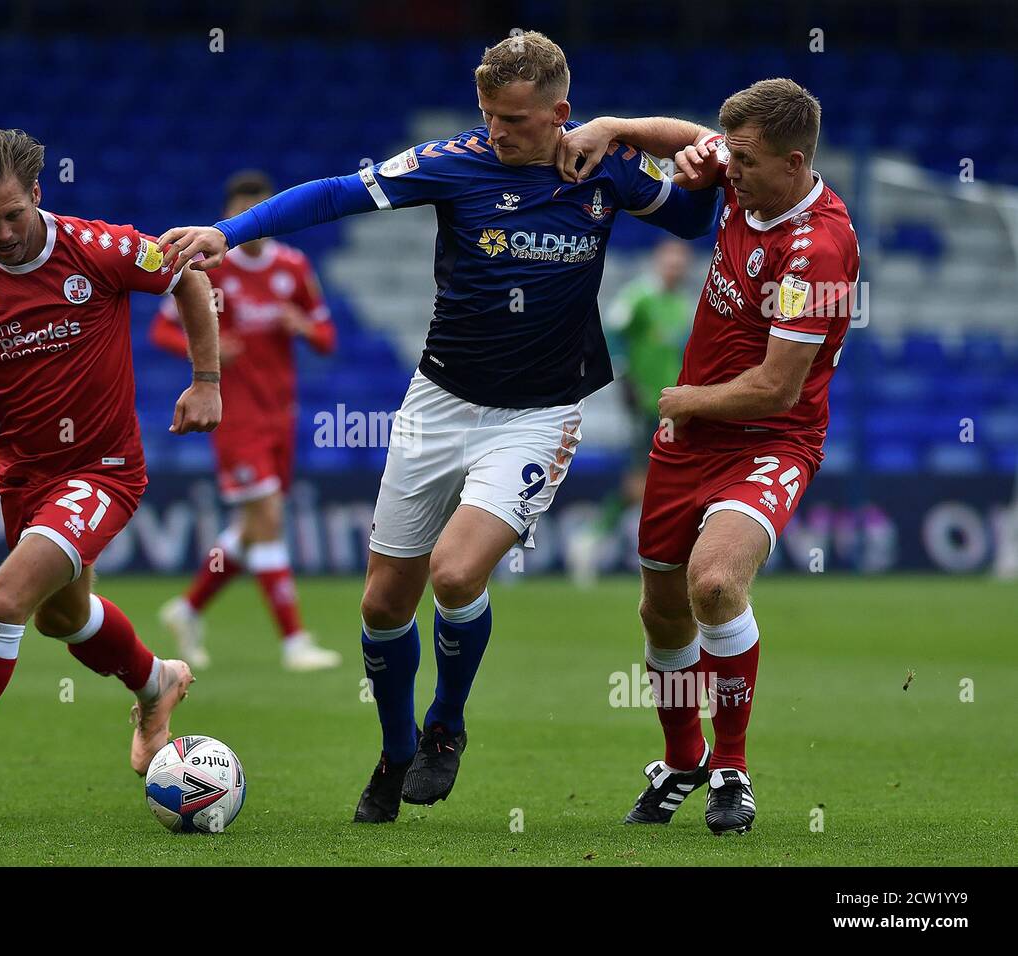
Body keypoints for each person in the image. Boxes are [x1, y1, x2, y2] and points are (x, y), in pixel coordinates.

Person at [159, 32, 719, 823]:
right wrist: (232, 235)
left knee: (456, 575)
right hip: (439, 403)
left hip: (538, 414)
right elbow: (333, 195)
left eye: (517, 119)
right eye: (489, 114)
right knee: (385, 602)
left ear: (561, 113)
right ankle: (394, 750)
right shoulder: (455, 161)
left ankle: (446, 726)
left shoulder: (605, 167)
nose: (499, 131)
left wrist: (644, 136)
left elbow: (699, 213)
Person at [0, 126, 221, 817]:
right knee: (64, 617)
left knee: (3, 603)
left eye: (14, 214)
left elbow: (189, 277)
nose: (5, 233)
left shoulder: (100, 247)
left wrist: (206, 380)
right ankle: (156, 682)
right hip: (24, 478)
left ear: (37, 195)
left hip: (103, 470)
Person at [558, 79, 860, 834]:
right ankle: (682, 759)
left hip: (769, 439)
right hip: (688, 443)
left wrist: (684, 398)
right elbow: (684, 136)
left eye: (746, 161)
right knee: (662, 613)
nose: (731, 169)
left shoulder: (819, 251)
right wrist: (613, 126)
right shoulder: (746, 173)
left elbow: (778, 389)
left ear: (795, 163)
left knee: (716, 585)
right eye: (731, 155)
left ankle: (732, 768)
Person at [152, 170, 341, 672]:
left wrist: (299, 325)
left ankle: (187, 610)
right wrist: (212, 352)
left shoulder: (294, 267)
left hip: (282, 412)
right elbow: (162, 332)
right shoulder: (213, 270)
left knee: (253, 525)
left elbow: (326, 337)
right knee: (268, 521)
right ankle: (294, 641)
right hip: (232, 415)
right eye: (238, 215)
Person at [570, 240, 693, 585]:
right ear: (658, 262)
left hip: (673, 407)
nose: (676, 269)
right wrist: (624, 378)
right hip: (645, 405)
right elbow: (611, 332)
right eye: (670, 262)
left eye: (680, 264)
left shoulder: (680, 304)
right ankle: (593, 540)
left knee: (652, 481)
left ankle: (597, 540)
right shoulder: (640, 297)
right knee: (644, 482)